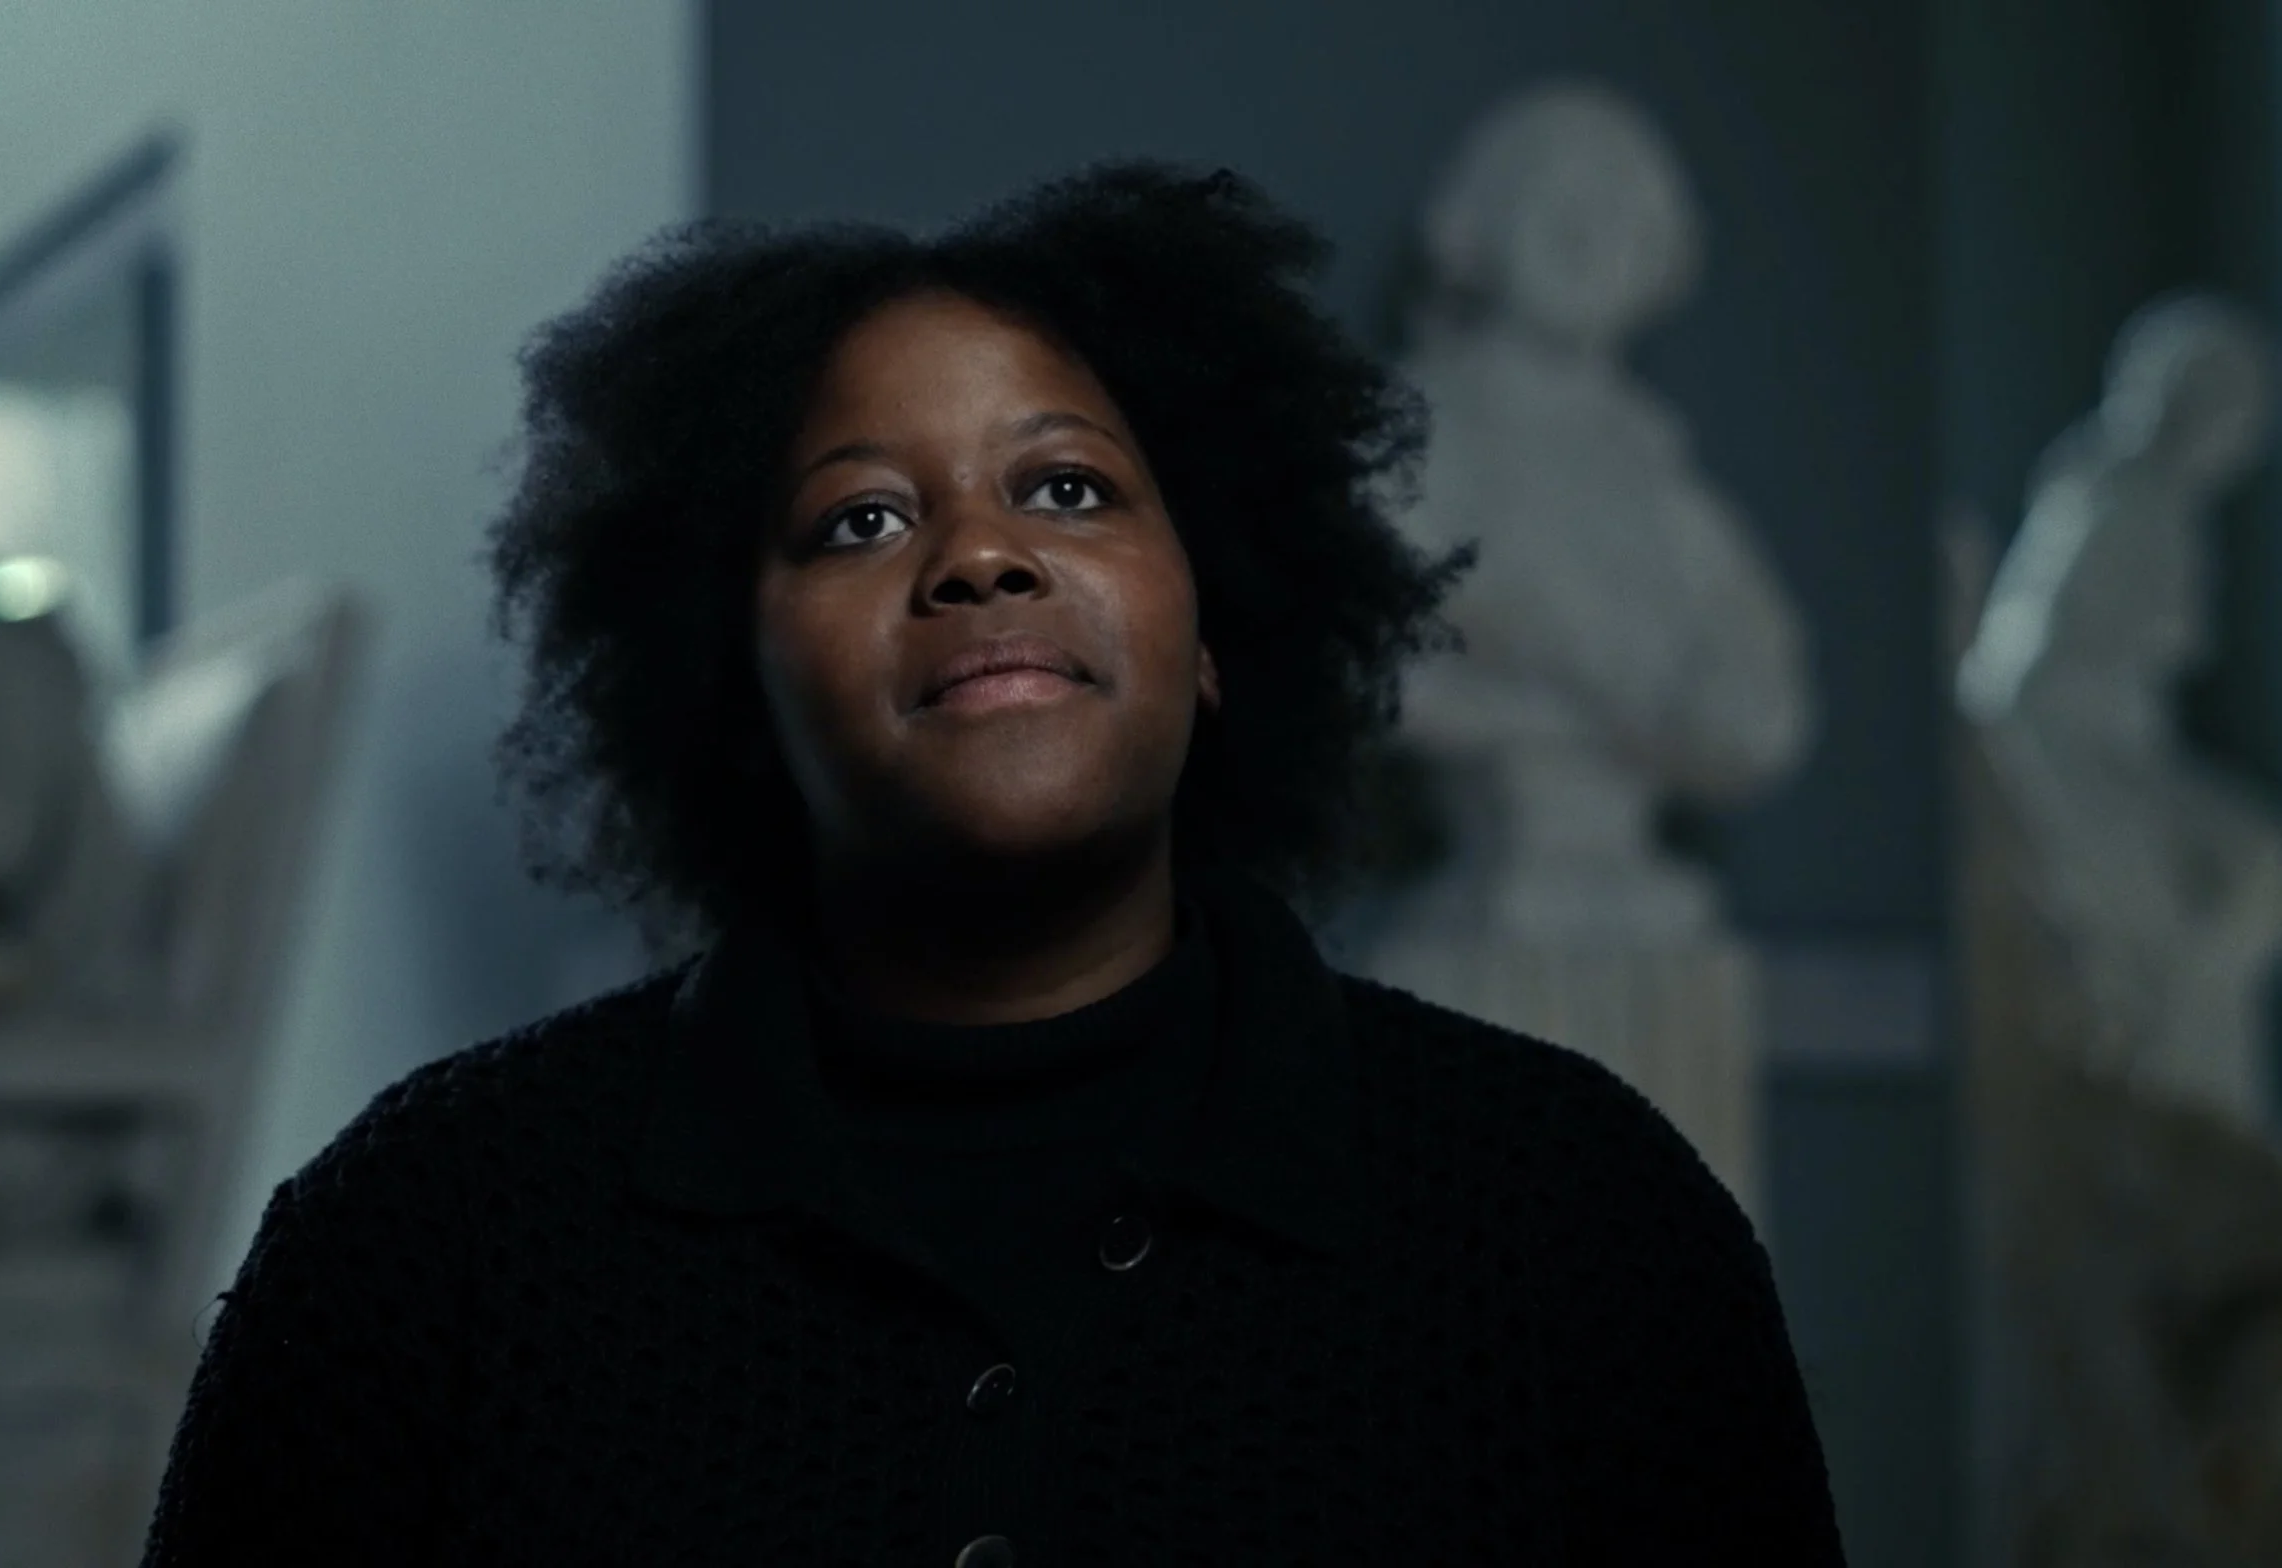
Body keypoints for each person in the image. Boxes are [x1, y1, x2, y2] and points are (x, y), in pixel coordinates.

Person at [139, 163, 1845, 1564]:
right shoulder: (426, 1240)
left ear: (1221, 628)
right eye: (861, 520)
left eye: (1071, 489)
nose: (979, 556)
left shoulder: (1578, 1224)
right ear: (733, 680)